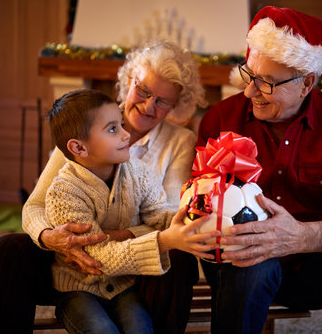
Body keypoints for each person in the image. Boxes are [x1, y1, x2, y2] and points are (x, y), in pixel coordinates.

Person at [196, 6, 322, 334]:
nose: (250, 92)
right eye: (250, 75)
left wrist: (300, 237)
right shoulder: (220, 118)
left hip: (315, 266)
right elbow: (197, 203)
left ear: (307, 82)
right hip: (240, 265)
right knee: (253, 264)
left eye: (266, 82)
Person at [0, 41, 209, 334]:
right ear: (129, 82)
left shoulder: (179, 142)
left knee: (179, 255)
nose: (149, 105)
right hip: (68, 263)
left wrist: (110, 237)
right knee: (6, 249)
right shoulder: (84, 125)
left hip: (134, 266)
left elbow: (168, 219)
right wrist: (50, 237)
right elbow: (35, 206)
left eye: (163, 101)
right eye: (145, 91)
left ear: (176, 106)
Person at [44, 89, 216, 333]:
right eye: (113, 129)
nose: (127, 135)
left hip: (125, 286)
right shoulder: (63, 193)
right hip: (78, 289)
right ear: (79, 148)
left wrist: (192, 220)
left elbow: (159, 215)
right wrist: (165, 240)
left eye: (121, 125)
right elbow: (98, 258)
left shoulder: (139, 172)